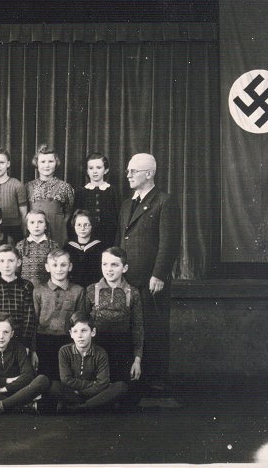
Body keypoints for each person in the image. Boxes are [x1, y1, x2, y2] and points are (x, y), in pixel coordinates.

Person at [117, 153, 180, 389]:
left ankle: (156, 380)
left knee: (154, 327)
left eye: (134, 171)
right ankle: (135, 378)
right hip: (128, 279)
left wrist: (159, 275)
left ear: (149, 173)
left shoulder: (164, 201)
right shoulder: (127, 204)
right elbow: (120, 240)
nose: (128, 175)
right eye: (128, 171)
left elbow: (169, 243)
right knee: (131, 327)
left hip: (152, 280)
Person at [49, 312, 128, 412]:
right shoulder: (64, 351)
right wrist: (91, 385)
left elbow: (103, 383)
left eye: (84, 330)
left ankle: (81, 407)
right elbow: (66, 380)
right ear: (71, 334)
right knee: (53, 386)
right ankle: (93, 406)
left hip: (94, 393)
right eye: (75, 331)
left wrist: (82, 391)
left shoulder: (101, 353)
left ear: (93, 332)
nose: (80, 336)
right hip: (74, 393)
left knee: (121, 387)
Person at [87, 247, 143, 387]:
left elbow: (138, 328)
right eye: (104, 264)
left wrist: (137, 360)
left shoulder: (133, 292)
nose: (109, 269)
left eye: (114, 265)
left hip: (122, 350)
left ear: (124, 268)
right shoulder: (91, 290)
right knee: (98, 386)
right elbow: (82, 324)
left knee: (121, 389)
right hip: (96, 348)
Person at [0, 245, 37, 367]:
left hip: (19, 339)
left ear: (19, 262)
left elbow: (29, 317)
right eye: (2, 261)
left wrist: (26, 344)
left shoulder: (26, 286)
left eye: (11, 261)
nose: (6, 265)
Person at [33, 249, 86, 380]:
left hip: (67, 341)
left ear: (70, 266)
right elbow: (33, 322)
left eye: (63, 265)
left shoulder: (78, 291)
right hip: (44, 341)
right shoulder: (39, 290)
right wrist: (33, 350)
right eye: (55, 265)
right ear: (47, 267)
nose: (59, 269)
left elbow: (80, 322)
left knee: (65, 378)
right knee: (45, 379)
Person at [26, 144, 75, 245]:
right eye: (43, 162)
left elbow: (69, 211)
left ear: (56, 163)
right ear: (37, 163)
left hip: (57, 232)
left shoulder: (65, 187)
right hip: (35, 232)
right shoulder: (28, 186)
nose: (46, 165)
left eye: (50, 161)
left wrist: (60, 225)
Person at [74, 152, 120, 247]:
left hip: (108, 237)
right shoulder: (81, 192)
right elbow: (76, 217)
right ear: (87, 171)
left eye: (99, 168)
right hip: (86, 238)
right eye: (91, 168)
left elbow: (118, 216)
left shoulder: (112, 191)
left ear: (106, 170)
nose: (95, 171)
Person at [16, 209, 60, 285]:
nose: (36, 225)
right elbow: (16, 270)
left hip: (46, 289)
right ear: (27, 226)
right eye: (32, 222)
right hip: (25, 288)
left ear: (46, 226)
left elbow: (57, 269)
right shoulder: (20, 246)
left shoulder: (53, 245)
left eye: (40, 222)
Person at [63, 209, 104, 288]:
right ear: (73, 225)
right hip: (72, 289)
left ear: (92, 226)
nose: (82, 228)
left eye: (86, 225)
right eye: (79, 225)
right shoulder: (67, 248)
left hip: (95, 288)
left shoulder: (100, 247)